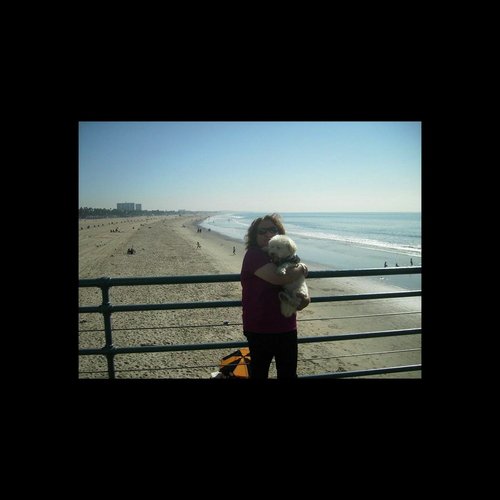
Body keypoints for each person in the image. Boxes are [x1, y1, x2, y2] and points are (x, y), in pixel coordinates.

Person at [240, 213, 310, 379]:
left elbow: (296, 282)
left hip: (286, 326)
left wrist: (305, 299)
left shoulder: (285, 256)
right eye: (262, 231)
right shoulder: (254, 255)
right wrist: (302, 268)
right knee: (259, 373)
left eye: (272, 230)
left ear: (280, 233)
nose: (268, 234)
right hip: (260, 327)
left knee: (288, 374)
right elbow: (279, 278)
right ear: (254, 236)